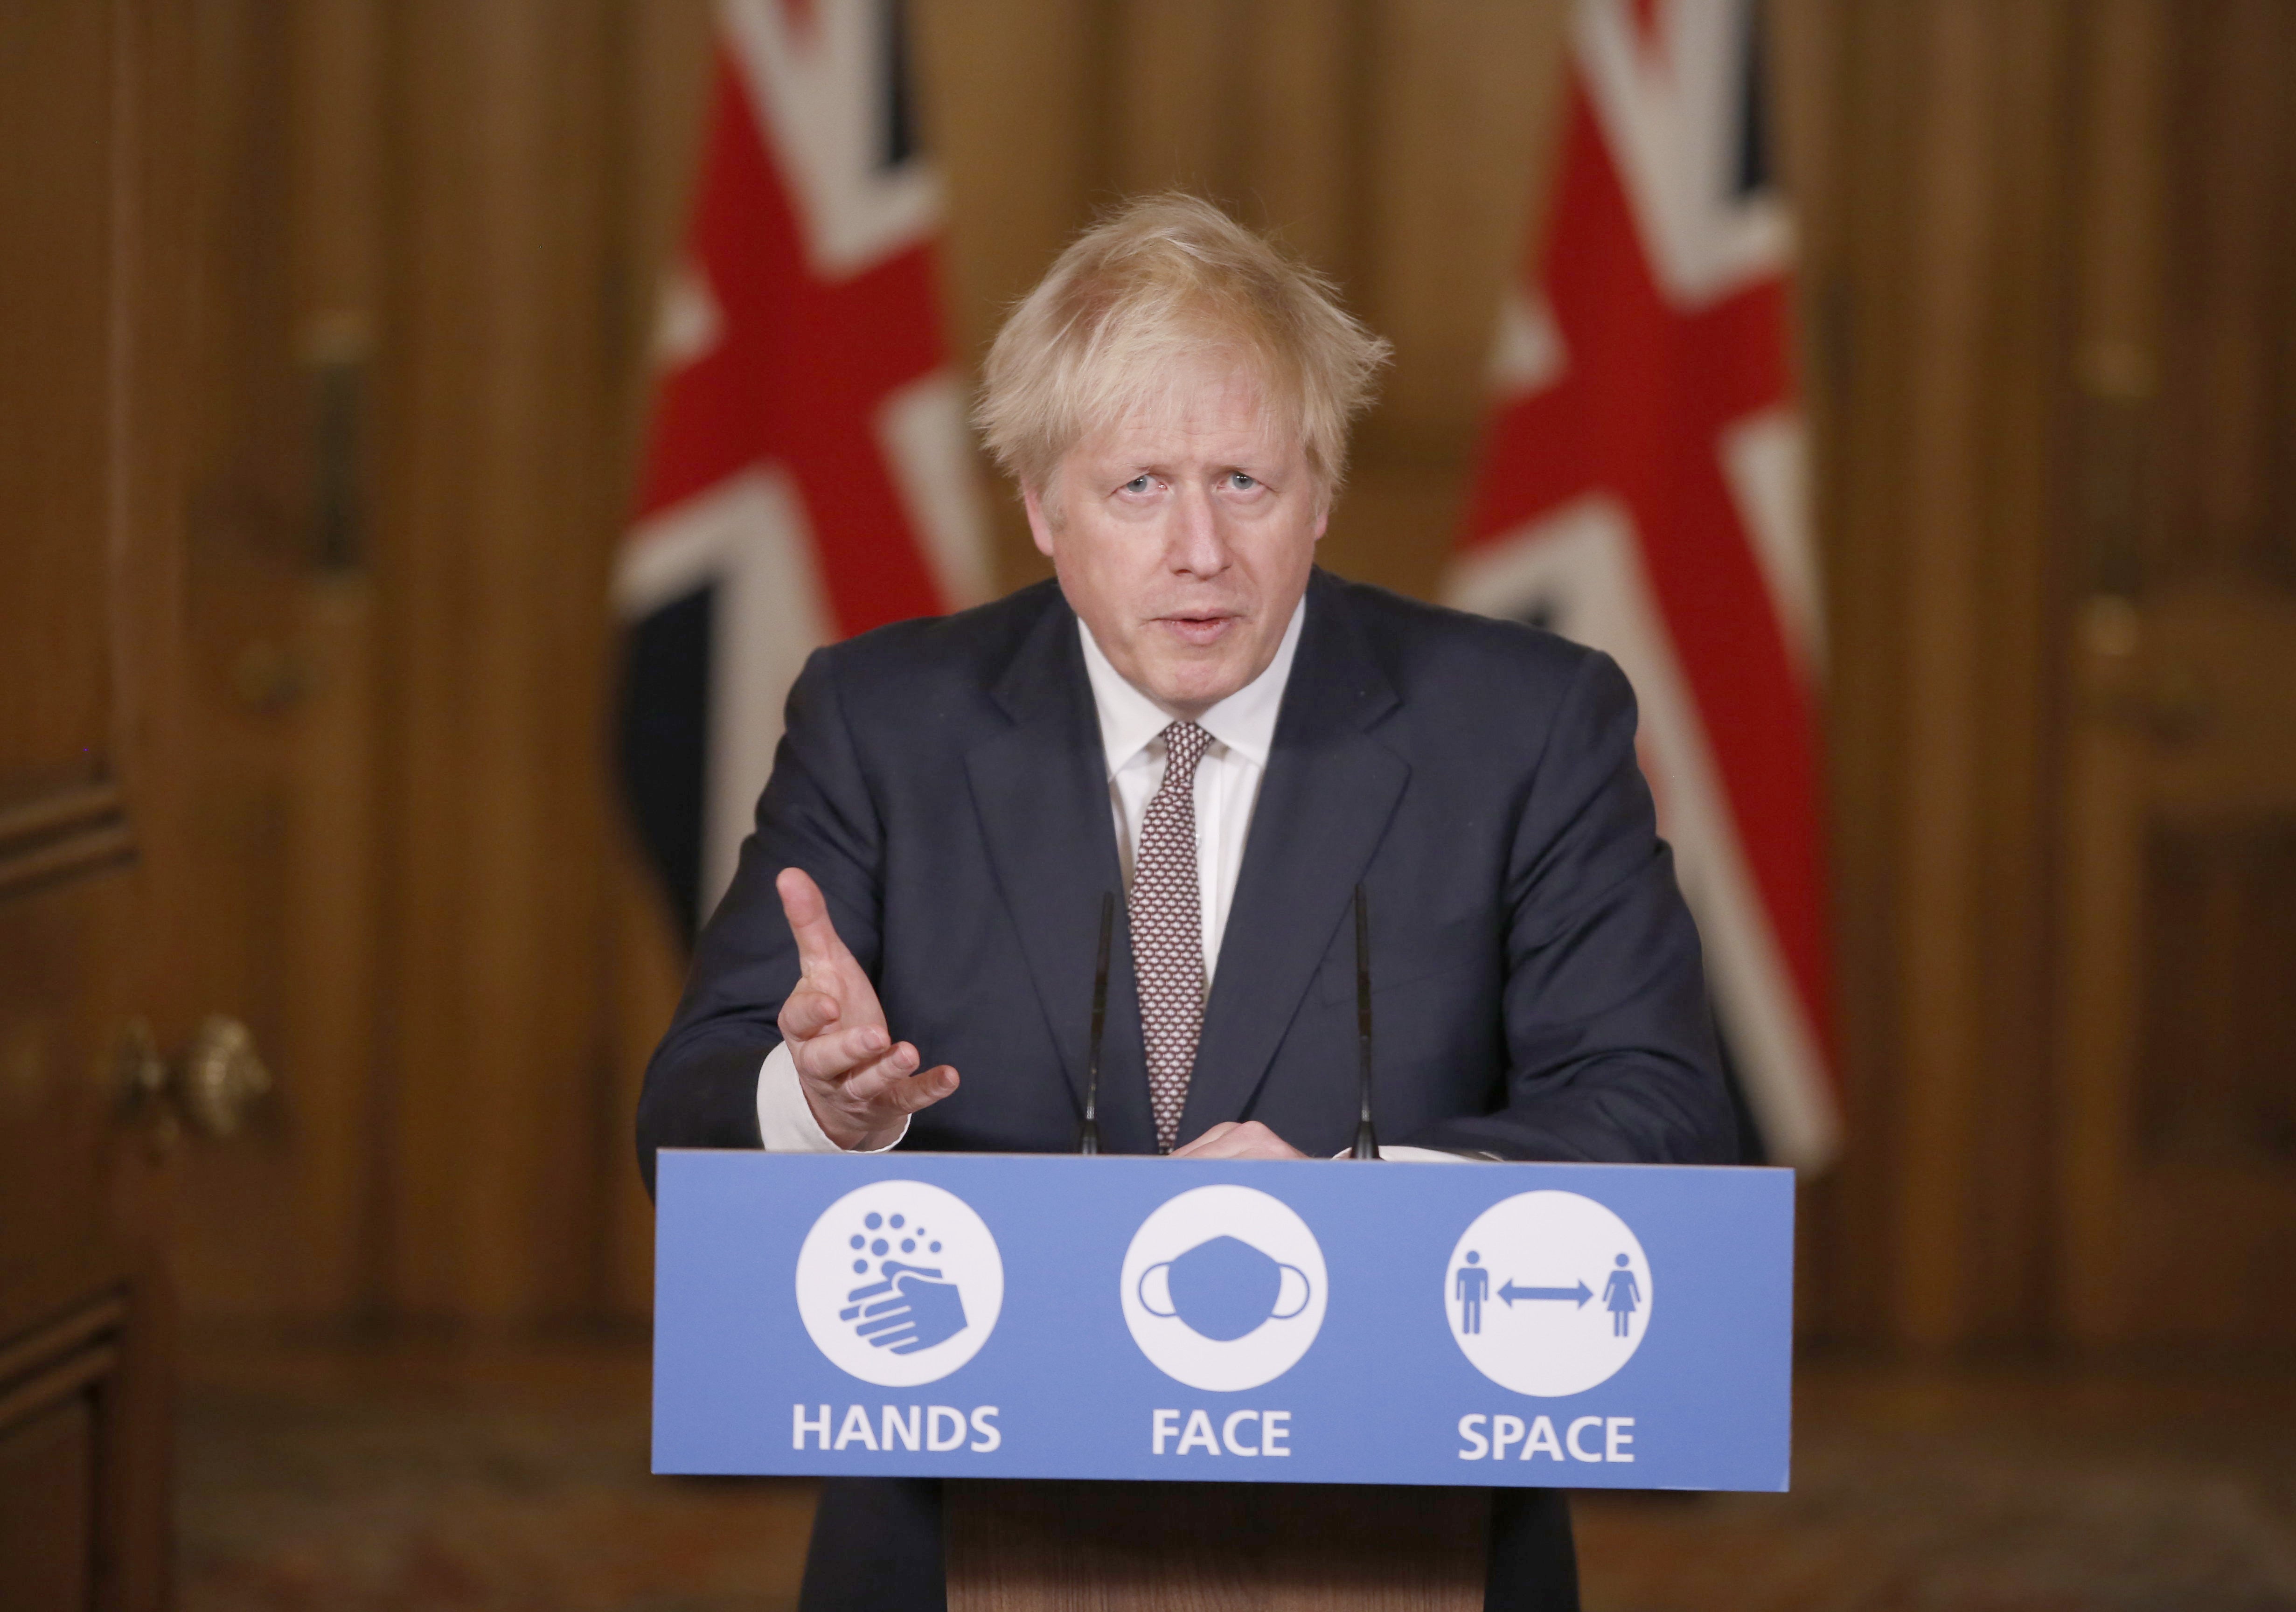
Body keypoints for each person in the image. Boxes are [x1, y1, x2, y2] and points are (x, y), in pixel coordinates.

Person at [637, 193, 1734, 1612]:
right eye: (1139, 486)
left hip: (1413, 1532)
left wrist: (1359, 1215)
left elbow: (1659, 1116)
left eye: (1246, 483)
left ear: (1322, 493)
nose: (1199, 550)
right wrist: (815, 1105)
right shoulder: (883, 723)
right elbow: (687, 1124)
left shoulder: (1525, 726)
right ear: (1043, 506)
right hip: (961, 1530)